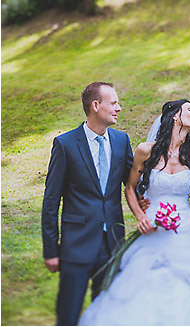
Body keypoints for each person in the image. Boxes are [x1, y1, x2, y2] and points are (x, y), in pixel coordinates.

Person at [79, 99, 190, 325]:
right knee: (143, 285)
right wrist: (140, 216)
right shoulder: (146, 151)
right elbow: (130, 188)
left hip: (183, 233)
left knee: (188, 288)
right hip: (151, 230)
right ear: (174, 116)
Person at [41, 82, 133, 326]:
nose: (119, 108)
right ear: (95, 105)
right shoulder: (66, 144)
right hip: (76, 247)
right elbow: (51, 201)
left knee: (107, 317)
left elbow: (135, 184)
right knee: (68, 316)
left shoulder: (122, 141)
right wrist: (51, 250)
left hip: (112, 245)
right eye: (113, 103)